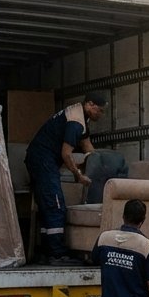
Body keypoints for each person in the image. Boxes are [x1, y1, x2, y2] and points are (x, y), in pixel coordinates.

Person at [25, 92, 107, 266]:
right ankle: (57, 255)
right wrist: (79, 175)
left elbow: (88, 147)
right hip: (43, 160)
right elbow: (66, 153)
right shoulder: (75, 123)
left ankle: (45, 252)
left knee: (47, 206)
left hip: (39, 158)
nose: (101, 114)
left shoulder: (80, 116)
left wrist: (99, 164)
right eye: (99, 110)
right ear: (90, 104)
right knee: (55, 206)